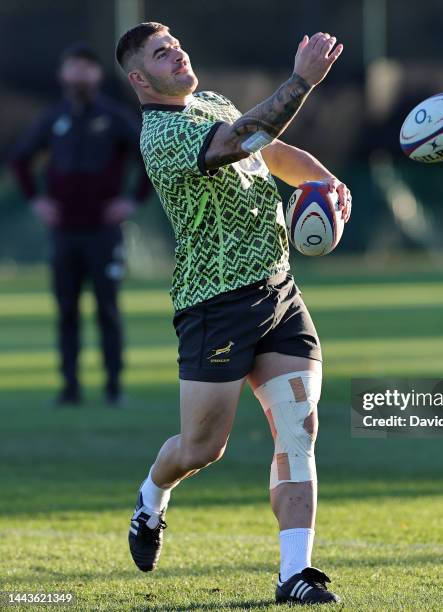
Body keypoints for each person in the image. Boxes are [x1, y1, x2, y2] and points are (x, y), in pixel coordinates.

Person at [115, 22, 351, 604]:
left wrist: (324, 181)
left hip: (279, 294)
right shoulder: (161, 136)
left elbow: (269, 149)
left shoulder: (212, 101)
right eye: (161, 53)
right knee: (202, 449)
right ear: (141, 79)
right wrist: (302, 81)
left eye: (176, 44)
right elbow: (242, 137)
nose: (178, 53)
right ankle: (151, 497)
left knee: (299, 433)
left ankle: (294, 573)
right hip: (213, 308)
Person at [10, 43, 151, 406]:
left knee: (107, 308)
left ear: (97, 75)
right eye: (73, 67)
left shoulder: (114, 116)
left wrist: (130, 201)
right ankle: (69, 388)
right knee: (67, 310)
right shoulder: (53, 118)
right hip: (64, 233)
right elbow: (21, 161)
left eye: (86, 67)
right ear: (63, 74)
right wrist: (36, 201)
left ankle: (114, 388)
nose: (79, 74)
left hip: (103, 232)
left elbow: (149, 157)